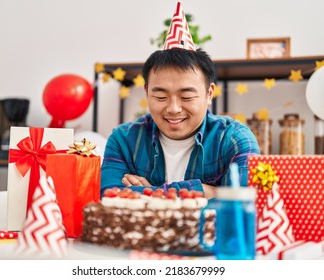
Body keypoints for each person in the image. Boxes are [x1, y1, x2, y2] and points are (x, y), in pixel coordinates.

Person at [101, 48, 260, 198]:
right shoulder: (123, 140)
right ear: (147, 92)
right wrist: (206, 191)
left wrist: (149, 195)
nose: (174, 109)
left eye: (186, 97)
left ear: (209, 94)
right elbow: (108, 195)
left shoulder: (235, 140)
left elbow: (244, 203)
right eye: (161, 97)